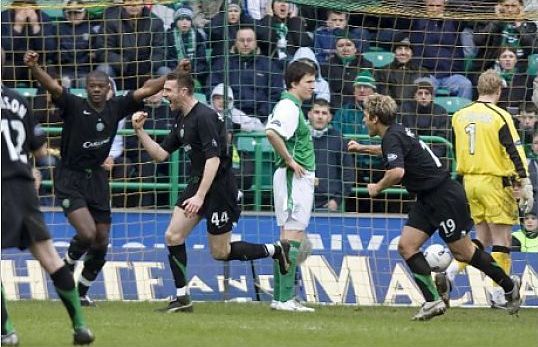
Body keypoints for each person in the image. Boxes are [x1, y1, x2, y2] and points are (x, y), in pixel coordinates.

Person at [347, 93, 523, 320]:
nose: (363, 120)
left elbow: (397, 172)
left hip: (444, 196)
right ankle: (433, 301)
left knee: (464, 252)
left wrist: (377, 187)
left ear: (374, 118)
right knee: (406, 246)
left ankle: (510, 286)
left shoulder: (393, 136)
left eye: (365, 116)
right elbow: (392, 152)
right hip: (426, 198)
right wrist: (362, 148)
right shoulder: (397, 132)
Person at [23, 49, 175, 306]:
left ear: (108, 89)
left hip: (97, 178)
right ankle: (67, 265)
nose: (96, 90)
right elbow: (52, 86)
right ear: (86, 88)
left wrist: (172, 76)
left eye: (100, 86)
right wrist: (35, 69)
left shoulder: (116, 107)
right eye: (92, 86)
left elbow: (145, 91)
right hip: (70, 177)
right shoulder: (73, 105)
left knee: (102, 239)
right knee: (87, 233)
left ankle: (82, 292)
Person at [130, 71, 291, 313]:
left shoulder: (204, 117)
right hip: (198, 184)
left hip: (219, 189)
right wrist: (140, 131)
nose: (164, 95)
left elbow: (213, 160)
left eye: (168, 91)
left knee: (220, 252)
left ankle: (276, 250)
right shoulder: (181, 118)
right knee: (173, 236)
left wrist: (200, 196)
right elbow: (160, 155)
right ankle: (182, 299)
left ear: (183, 92)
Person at [1, 57, 94, 344]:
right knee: (50, 258)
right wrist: (37, 174)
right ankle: (80, 327)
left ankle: (7, 332)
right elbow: (41, 151)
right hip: (23, 187)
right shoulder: (18, 100)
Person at [444, 69, 533, 308]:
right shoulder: (500, 116)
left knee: (481, 237)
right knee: (502, 239)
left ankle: (450, 273)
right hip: (493, 181)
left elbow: (457, 147)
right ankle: (498, 293)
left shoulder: (459, 115)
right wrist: (524, 181)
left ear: (478, 89)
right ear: (499, 90)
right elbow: (515, 150)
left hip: (469, 181)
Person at [265, 60, 317, 312]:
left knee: (290, 235)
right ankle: (284, 299)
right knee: (291, 236)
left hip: (298, 178)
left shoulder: (292, 105)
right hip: (291, 178)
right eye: (309, 82)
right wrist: (290, 161)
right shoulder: (288, 106)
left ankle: (281, 297)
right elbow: (272, 133)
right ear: (294, 83)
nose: (313, 86)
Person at [308, 99, 355, 212]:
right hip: (302, 200)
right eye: (316, 112)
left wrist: (337, 200)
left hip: (329, 203)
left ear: (330, 117)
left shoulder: (338, 139)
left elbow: (348, 173)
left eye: (324, 113)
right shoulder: (300, 138)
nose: (320, 116)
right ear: (309, 114)